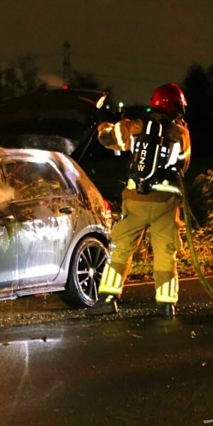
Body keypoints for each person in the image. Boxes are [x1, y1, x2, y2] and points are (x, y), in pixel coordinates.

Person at [88, 82, 190, 318]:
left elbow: (105, 139)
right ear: (176, 106)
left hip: (135, 200)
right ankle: (166, 304)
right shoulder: (181, 133)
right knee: (165, 252)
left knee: (121, 248)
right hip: (165, 203)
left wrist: (103, 122)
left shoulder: (134, 127)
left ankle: (108, 298)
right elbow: (183, 165)